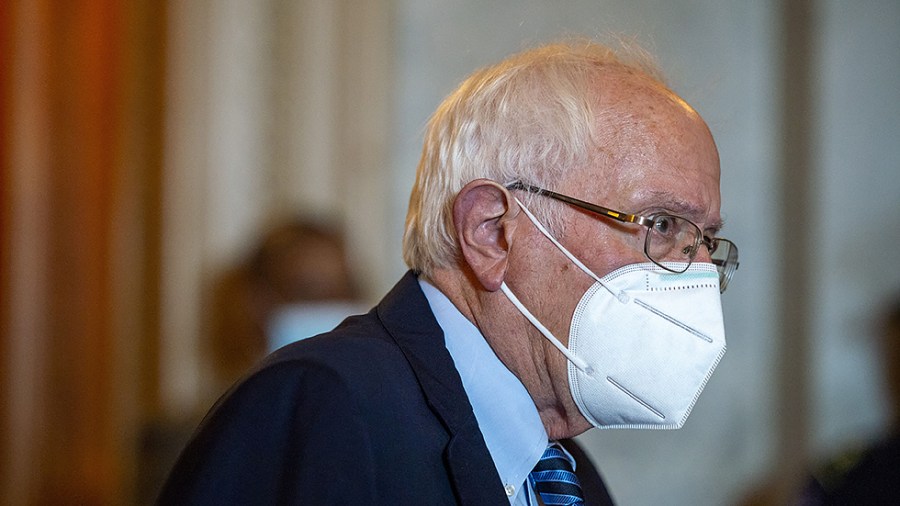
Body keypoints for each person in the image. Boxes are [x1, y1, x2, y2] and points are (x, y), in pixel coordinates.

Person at [157, 39, 739, 505]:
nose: (700, 271)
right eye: (662, 224)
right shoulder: (326, 409)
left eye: (706, 239)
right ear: (491, 232)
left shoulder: (567, 475)